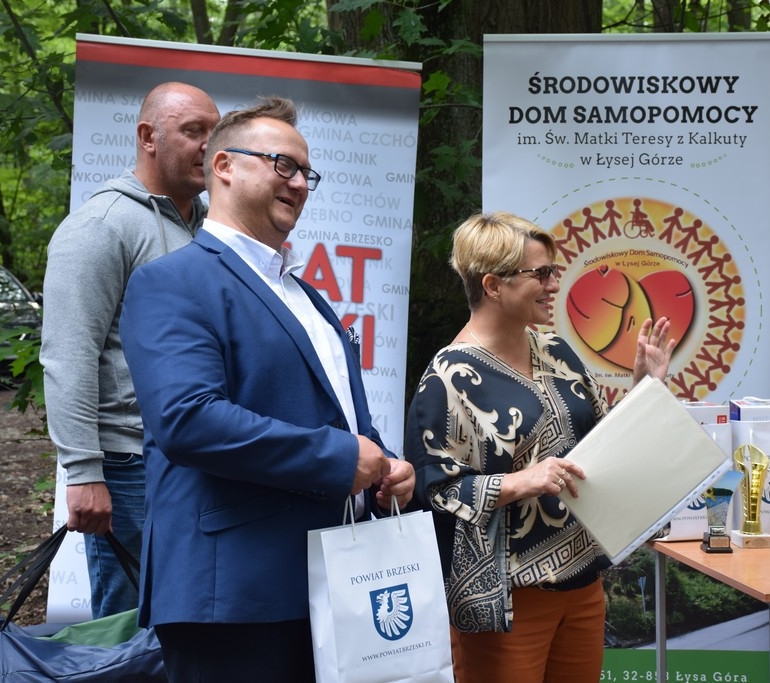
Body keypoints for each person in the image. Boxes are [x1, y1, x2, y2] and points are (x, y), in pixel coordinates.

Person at [118, 96, 415, 682]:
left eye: (306, 173)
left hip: (332, 583)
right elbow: (188, 420)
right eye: (284, 165)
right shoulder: (171, 282)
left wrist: (386, 467)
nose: (300, 183)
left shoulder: (310, 299)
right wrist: (340, 457)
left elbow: (340, 421)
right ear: (224, 166)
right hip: (233, 596)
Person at [403, 211, 675, 683]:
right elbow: (432, 490)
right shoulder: (448, 378)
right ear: (493, 285)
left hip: (583, 584)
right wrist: (519, 482)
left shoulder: (556, 351)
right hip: (508, 599)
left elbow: (601, 443)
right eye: (541, 273)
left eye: (553, 270)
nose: (553, 284)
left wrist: (644, 387)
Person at [41, 82, 220, 619]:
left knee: (187, 617)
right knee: (130, 629)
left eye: (216, 131)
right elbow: (68, 355)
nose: (209, 145)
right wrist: (83, 472)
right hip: (128, 466)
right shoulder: (100, 226)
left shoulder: (210, 226)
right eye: (193, 131)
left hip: (197, 456)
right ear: (148, 137)